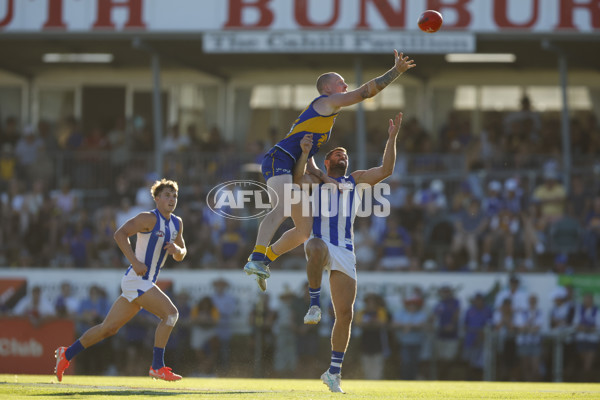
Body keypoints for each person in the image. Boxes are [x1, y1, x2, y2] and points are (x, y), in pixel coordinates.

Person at [243, 51, 415, 291]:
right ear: (326, 89)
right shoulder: (325, 103)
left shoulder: (326, 118)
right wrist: (396, 71)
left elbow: (310, 157)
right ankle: (256, 257)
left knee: (304, 231)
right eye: (340, 82)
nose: (345, 85)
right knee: (282, 207)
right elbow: (365, 92)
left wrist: (324, 177)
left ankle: (266, 260)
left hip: (293, 163)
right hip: (279, 158)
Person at [296, 111, 403, 392]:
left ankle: (333, 372)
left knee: (345, 314)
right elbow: (299, 177)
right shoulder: (315, 180)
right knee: (315, 245)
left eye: (345, 154)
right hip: (321, 241)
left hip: (345, 249)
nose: (343, 155)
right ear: (328, 161)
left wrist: (392, 138)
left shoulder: (354, 180)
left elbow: (386, 170)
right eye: (337, 153)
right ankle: (315, 302)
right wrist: (305, 153)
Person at [54, 178, 187, 382]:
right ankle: (157, 366)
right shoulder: (147, 218)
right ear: (157, 199)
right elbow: (120, 234)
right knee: (170, 315)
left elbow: (182, 252)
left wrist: (178, 251)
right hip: (137, 279)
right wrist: (134, 261)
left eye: (174, 196)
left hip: (145, 282)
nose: (172, 199)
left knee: (108, 329)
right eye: (167, 195)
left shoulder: (177, 223)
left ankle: (66, 354)